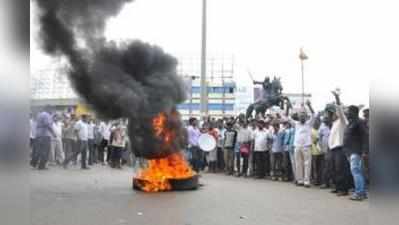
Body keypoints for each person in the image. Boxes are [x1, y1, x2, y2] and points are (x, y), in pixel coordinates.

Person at [335, 94, 368, 200]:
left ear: (354, 112)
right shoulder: (351, 123)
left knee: (356, 171)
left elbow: (366, 136)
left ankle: (359, 193)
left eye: (348, 111)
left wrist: (365, 151)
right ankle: (362, 191)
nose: (347, 112)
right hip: (350, 152)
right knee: (356, 171)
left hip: (356, 151)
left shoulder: (359, 122)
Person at [327, 91, 352, 196]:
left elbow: (340, 111)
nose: (331, 115)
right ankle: (337, 187)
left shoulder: (343, 121)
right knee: (334, 169)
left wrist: (337, 98)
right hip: (333, 149)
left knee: (341, 169)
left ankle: (343, 189)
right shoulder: (334, 123)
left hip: (340, 149)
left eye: (333, 114)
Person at [291, 100, 316, 188]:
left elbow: (313, 115)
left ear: (305, 117)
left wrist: (309, 106)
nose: (302, 116)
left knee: (307, 164)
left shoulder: (309, 123)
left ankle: (307, 181)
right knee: (298, 164)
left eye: (303, 115)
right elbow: (288, 117)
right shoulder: (296, 124)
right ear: (298, 117)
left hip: (306, 146)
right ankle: (300, 180)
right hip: (297, 146)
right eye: (300, 115)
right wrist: (290, 106)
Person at [319, 115, 332, 189]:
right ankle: (325, 182)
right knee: (326, 166)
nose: (325, 120)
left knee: (331, 166)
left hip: (333, 148)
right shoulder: (322, 126)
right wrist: (321, 147)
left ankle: (331, 182)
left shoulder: (333, 125)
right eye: (324, 118)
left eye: (326, 118)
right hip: (325, 149)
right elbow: (319, 137)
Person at [311, 118, 323, 186]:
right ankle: (315, 180)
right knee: (314, 166)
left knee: (319, 166)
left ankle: (319, 180)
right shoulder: (311, 130)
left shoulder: (319, 130)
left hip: (320, 151)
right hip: (313, 151)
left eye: (318, 122)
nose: (317, 123)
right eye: (316, 122)